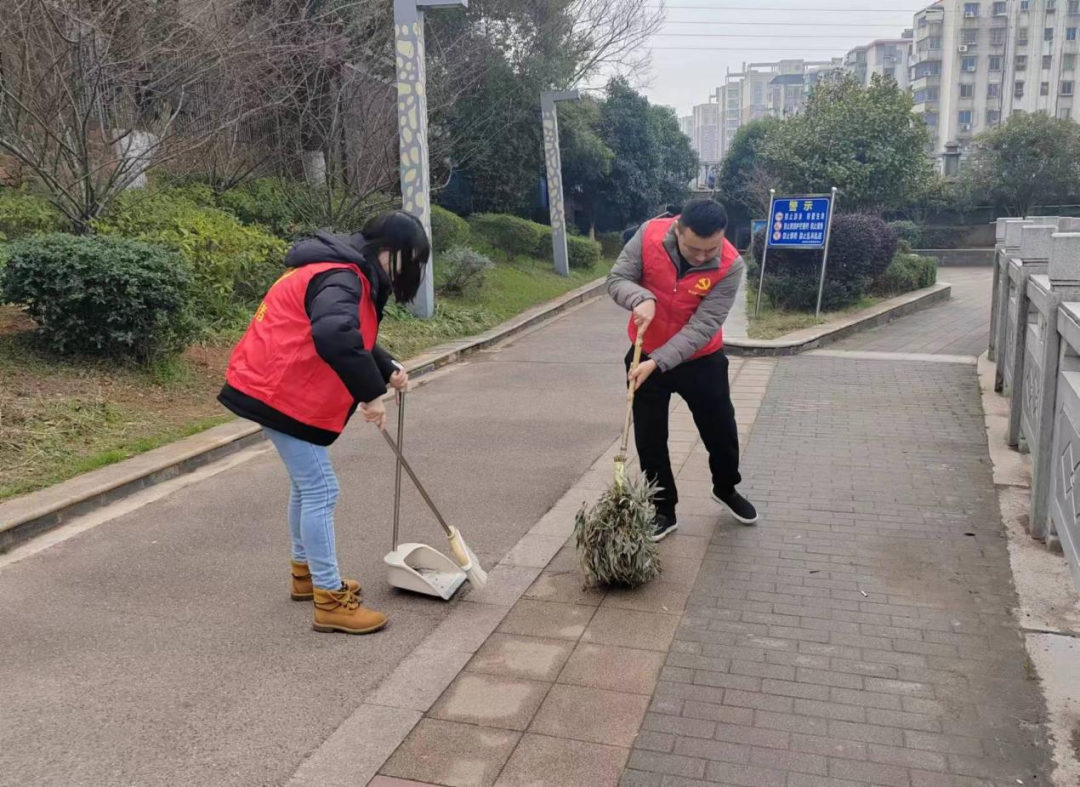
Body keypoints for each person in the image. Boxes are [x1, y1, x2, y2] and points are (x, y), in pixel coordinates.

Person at [219, 211, 430, 635]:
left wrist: (386, 366)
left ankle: (306, 577)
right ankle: (330, 600)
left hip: (272, 387)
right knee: (321, 489)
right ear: (388, 251)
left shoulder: (343, 269)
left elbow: (350, 332)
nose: (407, 271)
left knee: (306, 487)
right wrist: (370, 395)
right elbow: (334, 334)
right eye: (408, 260)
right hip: (276, 393)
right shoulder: (342, 277)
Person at [607, 198, 758, 541]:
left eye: (710, 249)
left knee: (721, 430)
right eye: (694, 249)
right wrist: (640, 298)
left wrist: (658, 362)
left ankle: (725, 487)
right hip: (645, 350)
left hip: (701, 358)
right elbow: (618, 278)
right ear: (678, 229)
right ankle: (663, 509)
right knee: (650, 437)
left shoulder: (731, 264)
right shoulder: (649, 235)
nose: (702, 257)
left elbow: (703, 327)